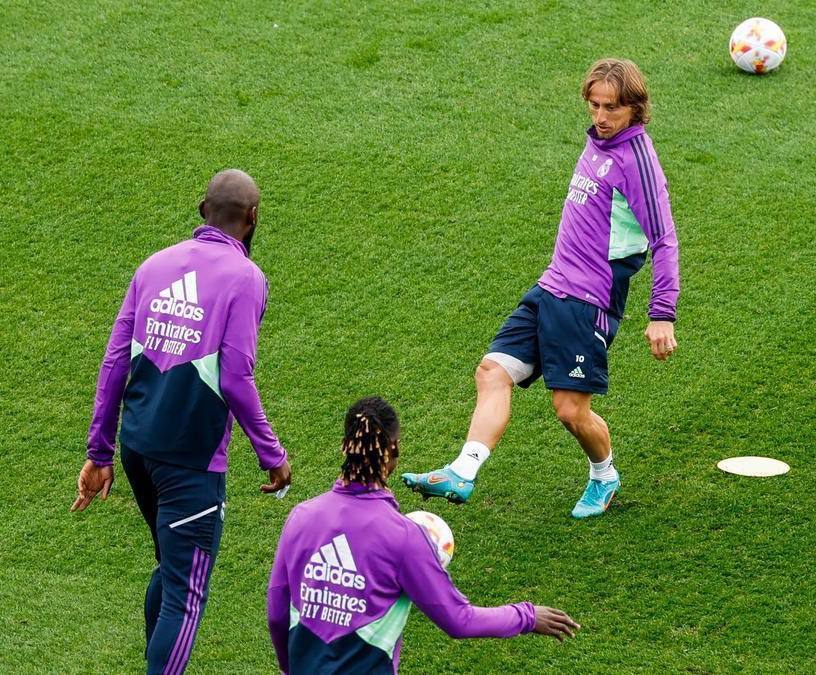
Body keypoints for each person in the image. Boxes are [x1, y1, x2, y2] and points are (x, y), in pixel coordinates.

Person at [401, 58, 680, 518]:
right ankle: (463, 471)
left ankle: (604, 475)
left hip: (588, 303)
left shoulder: (637, 162)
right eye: (594, 105)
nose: (601, 117)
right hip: (551, 287)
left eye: (611, 108)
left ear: (634, 107)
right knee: (492, 371)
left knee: (570, 411)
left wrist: (661, 313)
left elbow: (665, 240)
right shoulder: (598, 143)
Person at [71, 169, 292, 674]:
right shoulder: (246, 279)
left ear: (201, 211)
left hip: (137, 451)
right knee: (186, 596)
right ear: (254, 218)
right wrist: (273, 456)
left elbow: (113, 363)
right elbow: (236, 377)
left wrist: (99, 453)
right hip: (190, 464)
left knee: (171, 572)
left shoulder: (154, 266)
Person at [267, 396, 579, 674]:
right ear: (395, 450)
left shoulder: (301, 517)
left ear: (345, 446)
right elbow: (459, 620)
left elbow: (277, 616)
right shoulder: (404, 538)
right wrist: (526, 616)